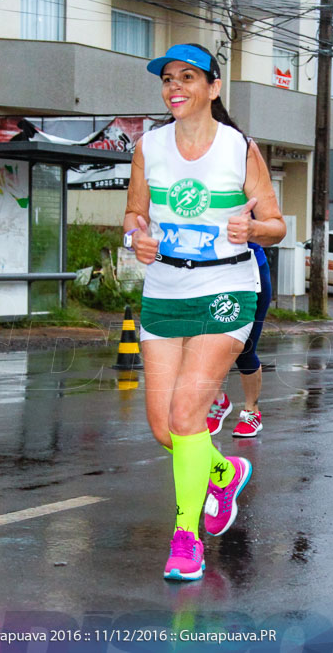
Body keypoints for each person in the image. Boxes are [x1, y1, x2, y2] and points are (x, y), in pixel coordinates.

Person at [124, 43, 285, 581]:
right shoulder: (149, 146)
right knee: (164, 429)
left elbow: (277, 223)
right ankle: (223, 468)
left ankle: (186, 537)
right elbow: (134, 213)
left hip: (227, 286)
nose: (175, 87)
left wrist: (254, 229)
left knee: (186, 416)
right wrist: (136, 238)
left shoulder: (239, 148)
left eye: (188, 77)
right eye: (168, 78)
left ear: (213, 88)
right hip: (165, 288)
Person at [206, 241, 271, 438]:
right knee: (207, 344)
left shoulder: (248, 209)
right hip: (209, 274)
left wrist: (249, 227)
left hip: (250, 272)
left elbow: (274, 229)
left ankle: (252, 412)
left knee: (245, 348)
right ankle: (218, 401)